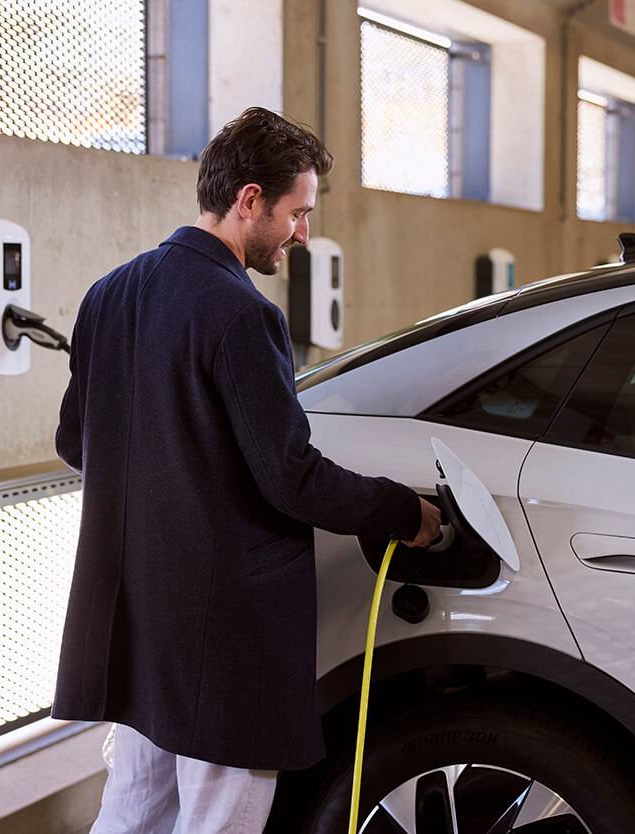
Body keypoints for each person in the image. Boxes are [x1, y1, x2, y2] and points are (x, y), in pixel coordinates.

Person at [52, 107, 442, 834]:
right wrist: (399, 510)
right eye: (298, 213)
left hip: (137, 619)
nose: (303, 234)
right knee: (221, 817)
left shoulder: (108, 295)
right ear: (250, 200)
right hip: (224, 635)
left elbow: (78, 444)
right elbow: (288, 476)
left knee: (134, 810)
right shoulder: (240, 312)